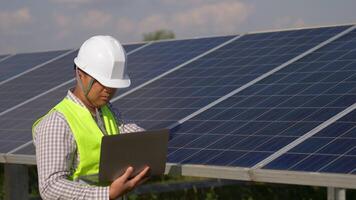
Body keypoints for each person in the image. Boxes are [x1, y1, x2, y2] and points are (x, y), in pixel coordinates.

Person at [33, 35, 150, 199]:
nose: (108, 90)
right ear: (80, 74)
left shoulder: (109, 112)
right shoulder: (57, 123)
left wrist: (150, 152)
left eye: (113, 85)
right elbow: (50, 187)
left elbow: (138, 137)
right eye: (101, 82)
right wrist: (107, 194)